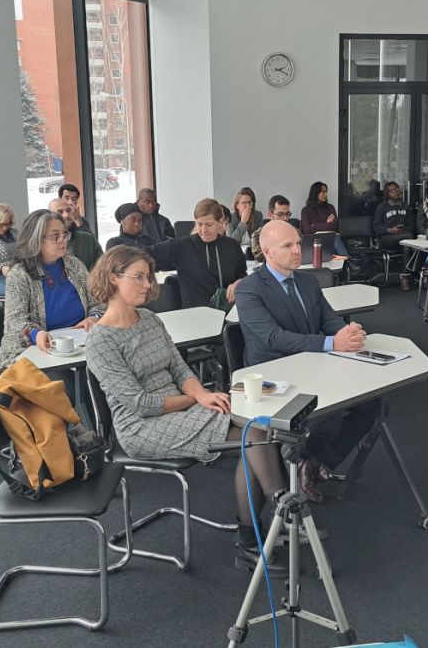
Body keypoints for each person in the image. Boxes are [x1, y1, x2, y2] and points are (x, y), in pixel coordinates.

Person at [85, 246, 287, 576]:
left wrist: (202, 393)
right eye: (138, 277)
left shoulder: (148, 319)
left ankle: (260, 531)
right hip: (142, 427)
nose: (147, 284)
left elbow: (180, 370)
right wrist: (197, 399)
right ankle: (273, 520)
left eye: (149, 277)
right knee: (256, 434)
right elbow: (141, 404)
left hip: (180, 408)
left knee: (256, 429)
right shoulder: (101, 341)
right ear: (112, 279)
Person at [235, 220, 374, 503]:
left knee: (373, 404)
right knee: (327, 416)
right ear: (267, 251)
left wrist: (346, 332)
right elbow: (272, 338)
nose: (298, 251)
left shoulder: (307, 281)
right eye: (288, 246)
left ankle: (314, 462)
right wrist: (331, 343)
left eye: (298, 244)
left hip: (314, 366)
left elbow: (328, 319)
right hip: (276, 375)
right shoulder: (249, 289)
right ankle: (294, 465)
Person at [0, 210, 104, 368]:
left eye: (64, 234)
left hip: (79, 350)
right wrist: (35, 333)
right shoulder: (19, 274)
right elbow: (14, 321)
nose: (63, 240)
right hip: (34, 353)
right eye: (55, 236)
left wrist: (94, 316)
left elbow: (98, 302)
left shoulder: (74, 265)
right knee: (67, 388)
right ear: (36, 239)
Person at [148, 199, 247, 309]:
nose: (203, 230)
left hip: (228, 310)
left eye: (209, 225)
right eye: (199, 224)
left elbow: (242, 274)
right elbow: (145, 254)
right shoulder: (182, 246)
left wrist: (239, 282)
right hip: (195, 313)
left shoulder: (232, 246)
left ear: (220, 222)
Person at [49, 195, 104, 270]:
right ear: (50, 216)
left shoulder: (88, 238)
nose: (66, 215)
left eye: (68, 210)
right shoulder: (45, 242)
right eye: (60, 212)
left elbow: (103, 267)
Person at [250, 194, 292, 262]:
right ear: (270, 215)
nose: (285, 218)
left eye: (287, 214)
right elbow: (261, 257)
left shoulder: (294, 232)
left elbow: (301, 253)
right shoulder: (258, 235)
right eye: (280, 214)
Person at [372, 181, 412, 247]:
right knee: (409, 237)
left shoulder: (405, 206)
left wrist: (402, 230)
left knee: (408, 239)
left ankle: (406, 257)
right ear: (387, 194)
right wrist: (390, 230)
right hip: (387, 236)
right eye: (392, 191)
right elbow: (376, 227)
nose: (395, 192)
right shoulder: (382, 207)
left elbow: (411, 225)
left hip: (403, 234)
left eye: (396, 189)